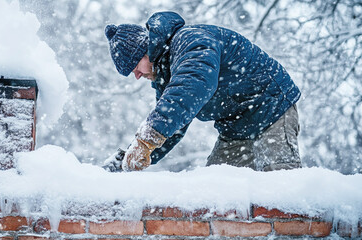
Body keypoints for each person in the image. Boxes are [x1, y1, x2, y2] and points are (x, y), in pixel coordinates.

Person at [103, 11, 301, 172]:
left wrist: (146, 140)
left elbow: (191, 87)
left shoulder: (190, 41)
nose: (136, 75)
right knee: (218, 195)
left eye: (135, 67)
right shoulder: (167, 74)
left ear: (145, 50)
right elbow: (172, 123)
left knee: (281, 190)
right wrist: (130, 156)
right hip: (235, 128)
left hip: (271, 108)